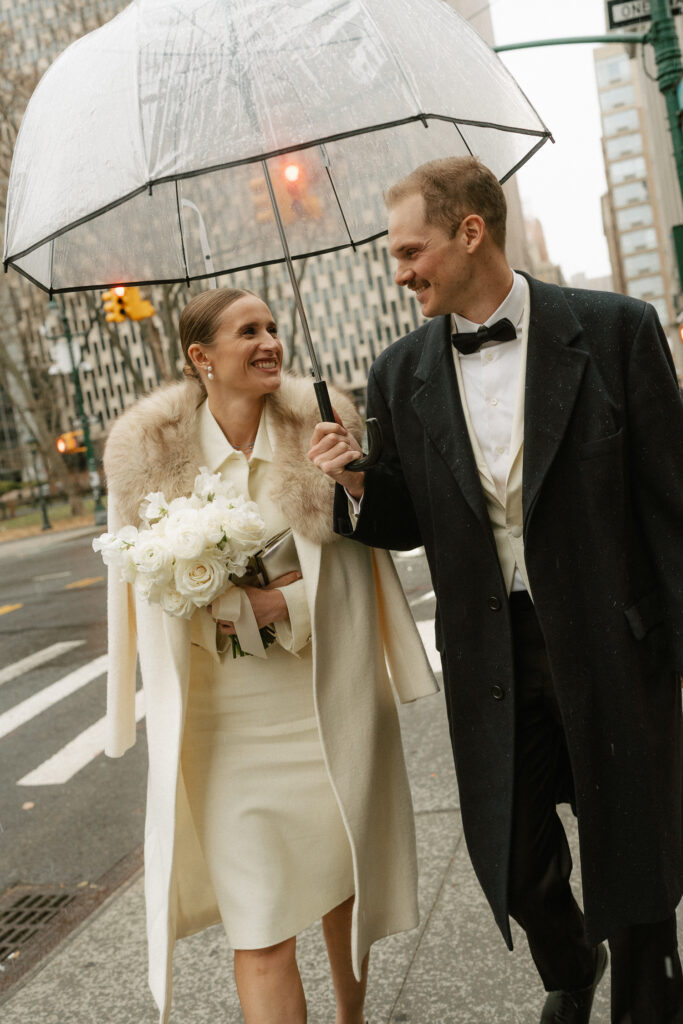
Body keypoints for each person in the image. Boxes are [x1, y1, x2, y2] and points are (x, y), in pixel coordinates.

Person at [308, 156, 683, 1024]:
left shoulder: (615, 329)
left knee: (632, 851)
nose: (399, 272)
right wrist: (357, 482)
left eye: (410, 251)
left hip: (611, 637)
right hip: (490, 651)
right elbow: (407, 517)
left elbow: (669, 504)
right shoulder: (398, 373)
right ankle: (568, 956)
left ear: (470, 232)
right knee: (511, 852)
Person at [102, 287, 437, 1024]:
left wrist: (283, 598)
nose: (268, 343)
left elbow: (360, 572)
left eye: (273, 328)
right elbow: (140, 586)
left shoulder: (320, 429)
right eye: (247, 331)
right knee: (258, 925)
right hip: (227, 726)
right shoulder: (147, 456)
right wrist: (229, 605)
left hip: (324, 699)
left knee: (343, 887)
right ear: (201, 358)